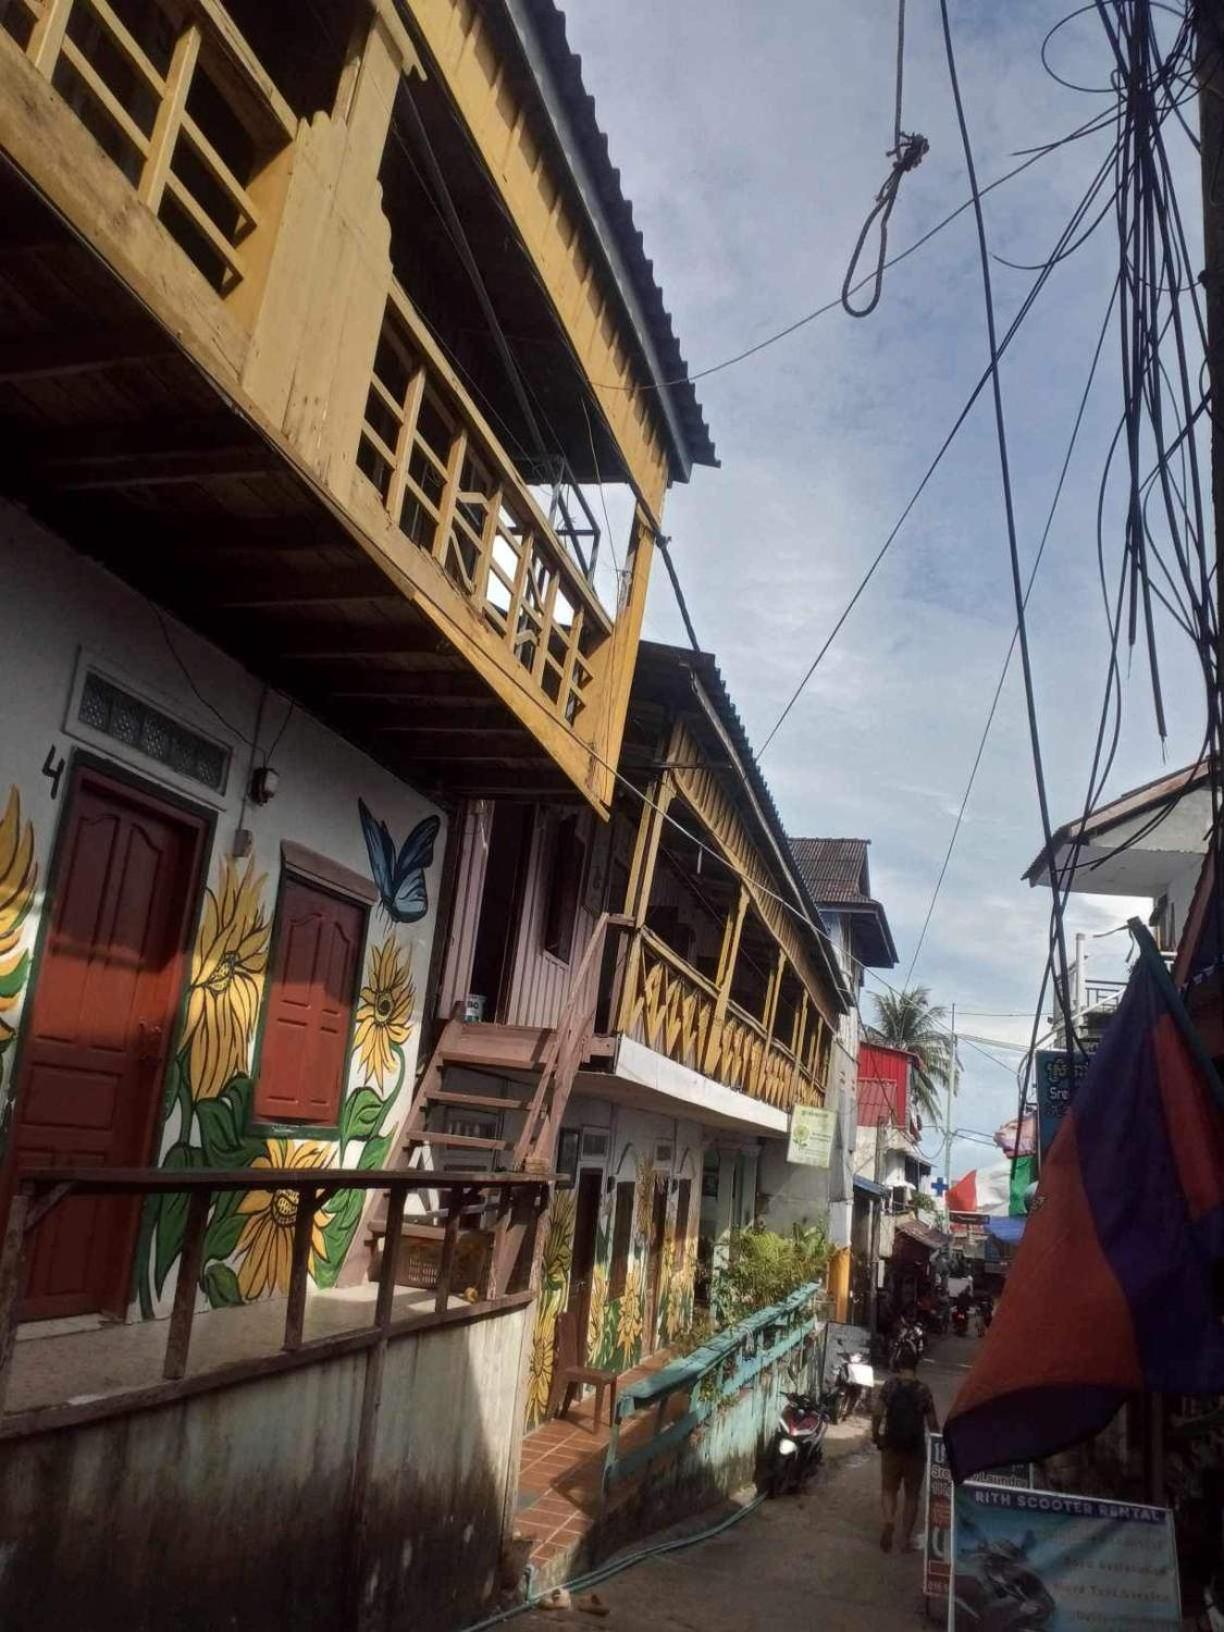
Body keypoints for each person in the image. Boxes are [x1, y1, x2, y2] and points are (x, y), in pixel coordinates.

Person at [872, 1342, 939, 1554]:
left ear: (899, 1364)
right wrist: (938, 1444)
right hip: (915, 1450)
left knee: (888, 1489)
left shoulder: (890, 1386)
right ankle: (905, 1541)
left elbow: (877, 1413)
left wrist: (876, 1435)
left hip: (891, 1445)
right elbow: (932, 1423)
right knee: (911, 1496)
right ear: (916, 1365)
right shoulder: (923, 1390)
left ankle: (889, 1521)